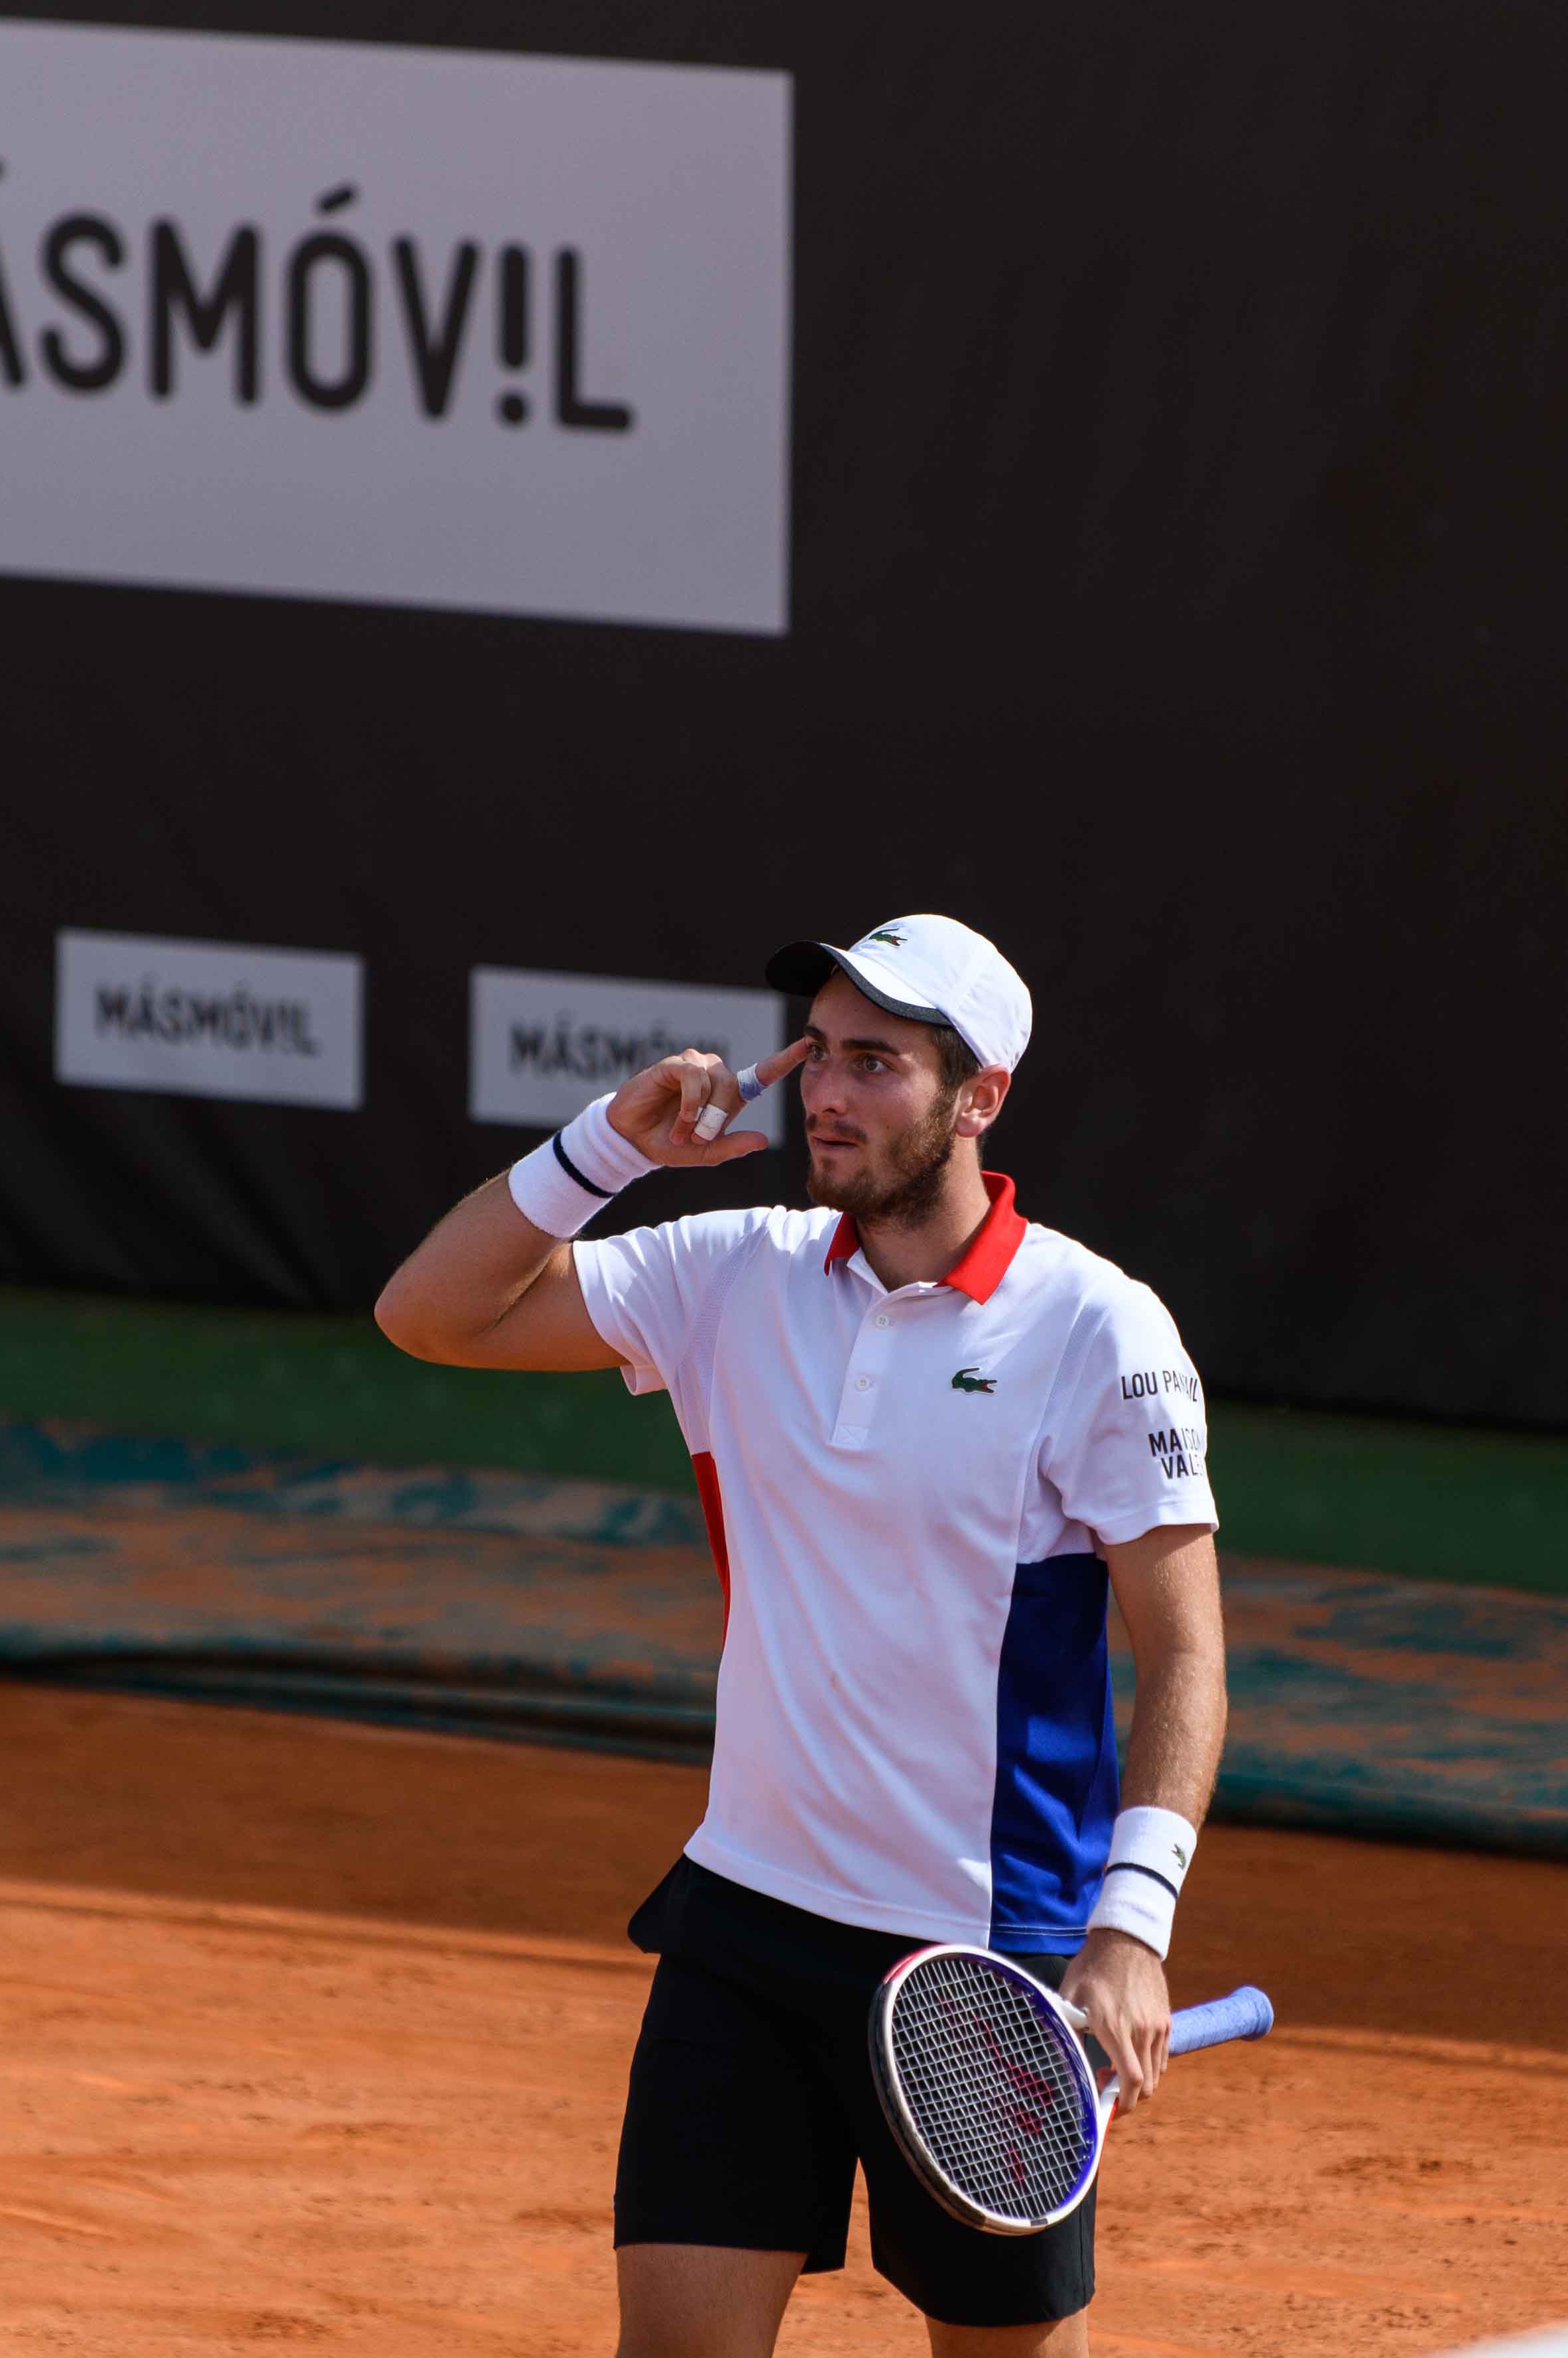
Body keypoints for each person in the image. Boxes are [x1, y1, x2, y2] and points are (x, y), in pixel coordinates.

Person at [373, 915, 1225, 2358]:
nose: (825, 1091)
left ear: (980, 1096)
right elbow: (428, 1313)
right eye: (819, 1051)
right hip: (748, 1923)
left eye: (877, 1062)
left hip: (982, 1956)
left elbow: (1187, 1652)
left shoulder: (1099, 1329)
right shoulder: (731, 1276)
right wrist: (609, 1146)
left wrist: (1132, 1928)